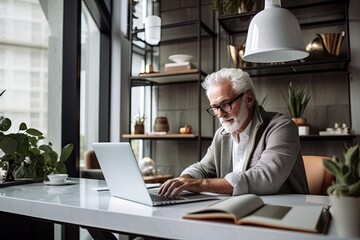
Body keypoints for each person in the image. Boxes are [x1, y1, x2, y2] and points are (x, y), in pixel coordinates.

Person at [158, 68, 309, 197]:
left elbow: (265, 178)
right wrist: (183, 180)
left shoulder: (282, 127)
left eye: (225, 104)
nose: (220, 114)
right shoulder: (222, 135)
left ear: (249, 98)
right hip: (238, 210)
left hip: (284, 213)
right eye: (215, 107)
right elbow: (203, 168)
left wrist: (200, 184)